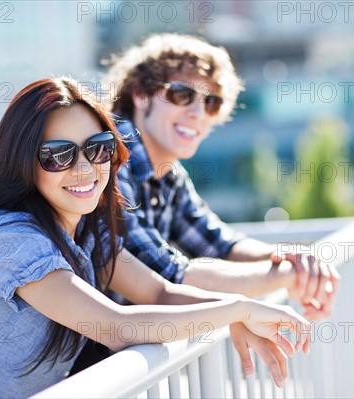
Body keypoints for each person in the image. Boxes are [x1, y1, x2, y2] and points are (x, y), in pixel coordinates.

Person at [0, 77, 311, 398]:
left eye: (98, 147)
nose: (85, 168)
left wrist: (237, 316)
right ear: (23, 164)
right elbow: (118, 327)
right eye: (58, 155)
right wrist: (236, 309)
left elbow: (158, 295)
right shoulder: (8, 236)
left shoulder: (83, 231)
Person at [104, 33, 339, 320]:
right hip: (88, 362)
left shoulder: (167, 173)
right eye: (182, 94)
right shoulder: (108, 160)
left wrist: (294, 256)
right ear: (140, 93)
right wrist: (291, 275)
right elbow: (171, 277)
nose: (198, 113)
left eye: (211, 103)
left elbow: (221, 244)